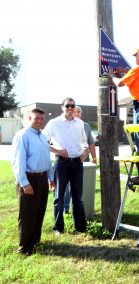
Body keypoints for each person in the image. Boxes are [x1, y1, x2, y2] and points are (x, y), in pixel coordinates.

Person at [109, 46, 139, 185]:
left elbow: (120, 83)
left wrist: (112, 75)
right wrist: (126, 71)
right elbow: (138, 81)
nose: (135, 58)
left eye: (136, 55)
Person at [11, 108, 55, 256]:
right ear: (29, 118)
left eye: (42, 119)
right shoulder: (22, 135)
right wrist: (24, 183)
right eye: (37, 118)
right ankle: (24, 248)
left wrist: (51, 178)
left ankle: (35, 242)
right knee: (27, 214)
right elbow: (18, 161)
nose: (40, 121)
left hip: (42, 179)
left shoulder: (42, 136)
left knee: (39, 212)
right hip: (29, 179)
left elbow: (47, 159)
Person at [43, 98, 89, 235]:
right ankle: (58, 228)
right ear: (62, 107)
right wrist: (57, 151)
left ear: (75, 108)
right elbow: (42, 140)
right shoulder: (54, 123)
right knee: (59, 197)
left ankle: (80, 228)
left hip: (77, 163)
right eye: (67, 106)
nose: (70, 108)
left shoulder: (80, 123)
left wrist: (86, 151)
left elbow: (84, 142)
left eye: (72, 106)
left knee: (78, 198)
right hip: (61, 163)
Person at [64, 105, 97, 214]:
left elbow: (91, 143)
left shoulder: (86, 126)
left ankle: (79, 207)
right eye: (75, 112)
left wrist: (94, 157)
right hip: (68, 160)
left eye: (79, 112)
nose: (77, 114)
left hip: (83, 161)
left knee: (79, 185)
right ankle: (66, 208)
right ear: (71, 112)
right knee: (67, 185)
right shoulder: (66, 124)